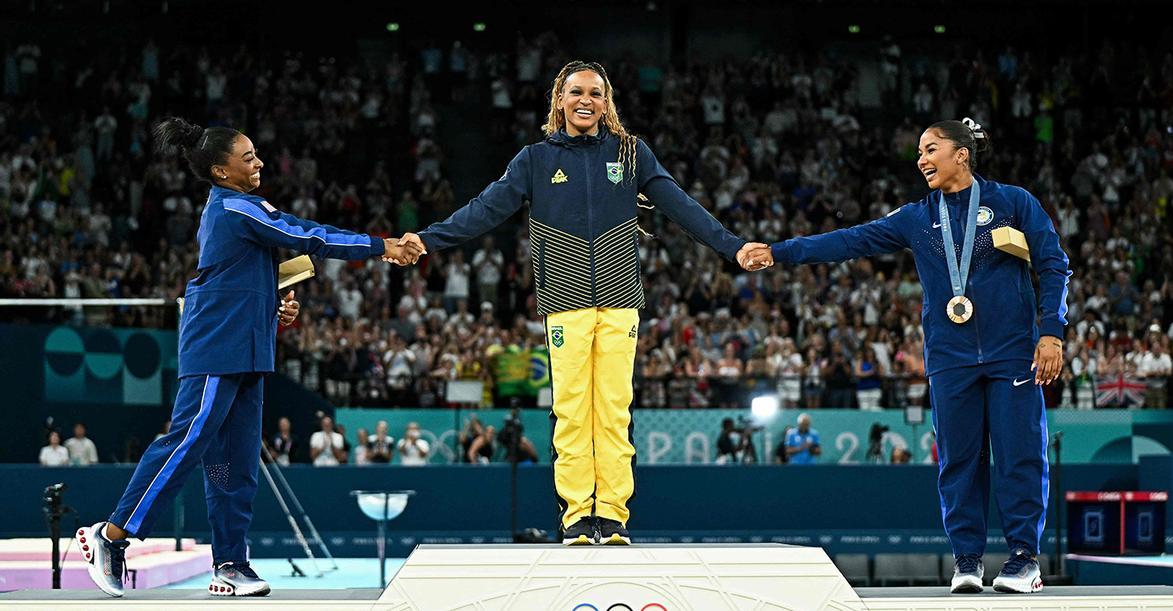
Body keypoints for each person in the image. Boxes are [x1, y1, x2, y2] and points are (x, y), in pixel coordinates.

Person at [388, 60, 765, 546]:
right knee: (570, 410)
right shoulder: (535, 160)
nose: (585, 100)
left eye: (595, 93)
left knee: (613, 408)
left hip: (619, 299)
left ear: (606, 103)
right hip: (564, 301)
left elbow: (679, 204)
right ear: (558, 101)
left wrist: (731, 245)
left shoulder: (631, 154)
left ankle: (611, 515)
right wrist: (429, 239)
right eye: (576, 92)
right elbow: (484, 210)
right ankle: (575, 517)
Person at [78, 117, 407, 599]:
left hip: (249, 346)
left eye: (257, 154)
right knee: (187, 440)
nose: (260, 162)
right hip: (217, 345)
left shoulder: (238, 212)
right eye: (248, 156)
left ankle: (230, 562)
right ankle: (112, 536)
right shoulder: (236, 208)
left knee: (231, 465)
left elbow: (250, 271)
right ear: (219, 170)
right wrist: (383, 245)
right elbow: (306, 235)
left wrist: (278, 305)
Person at [744, 118, 1070, 595]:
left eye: (931, 148)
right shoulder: (917, 217)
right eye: (919, 151)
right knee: (958, 460)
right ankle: (967, 560)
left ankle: (1023, 559)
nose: (921, 159)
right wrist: (780, 251)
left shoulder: (1013, 202)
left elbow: (1053, 263)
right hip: (950, 357)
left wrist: (1052, 333)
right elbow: (849, 240)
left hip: (1013, 353)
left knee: (1019, 455)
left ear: (961, 154)